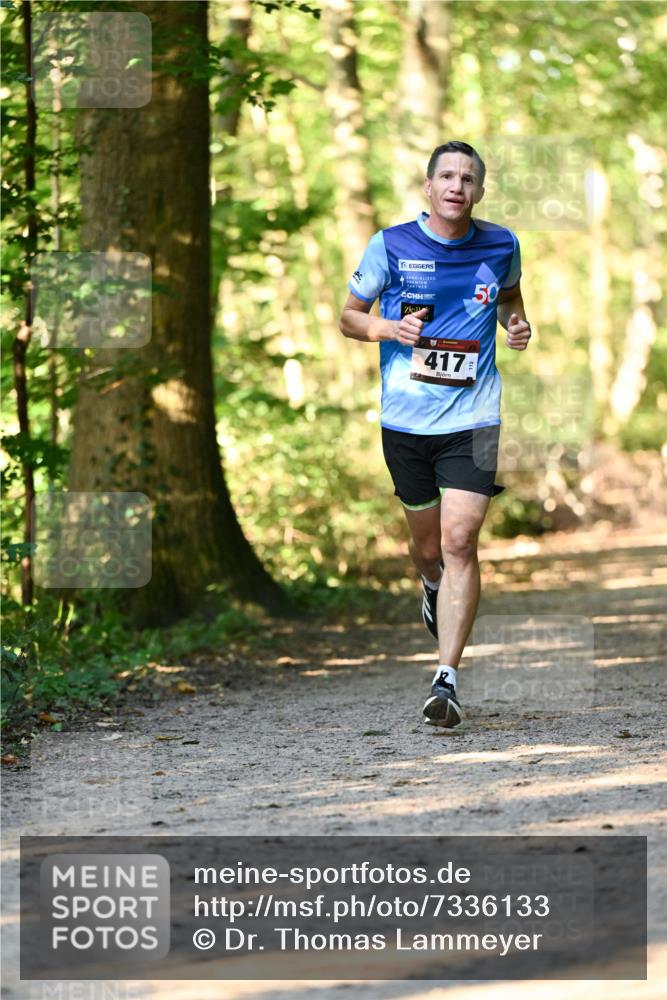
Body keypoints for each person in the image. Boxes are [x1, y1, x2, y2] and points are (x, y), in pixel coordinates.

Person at [338, 140, 531, 730]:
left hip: (474, 415)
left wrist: (517, 326)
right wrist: (387, 328)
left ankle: (446, 678)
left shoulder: (502, 243)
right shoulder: (390, 245)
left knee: (460, 540)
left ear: (479, 191)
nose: (456, 185)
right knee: (428, 550)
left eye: (468, 178)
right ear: (428, 187)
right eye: (446, 175)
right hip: (407, 420)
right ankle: (430, 587)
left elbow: (510, 300)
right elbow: (348, 316)